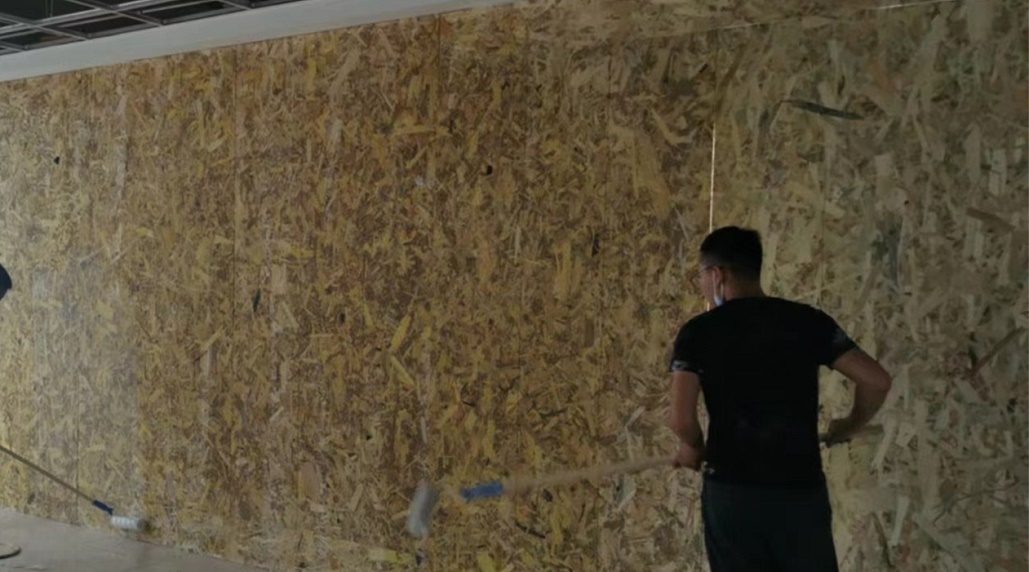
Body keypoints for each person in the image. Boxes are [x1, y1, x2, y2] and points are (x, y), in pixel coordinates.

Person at [667, 226, 892, 572]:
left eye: (701, 275)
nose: (702, 285)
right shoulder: (807, 321)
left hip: (732, 494)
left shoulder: (698, 333)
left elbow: (681, 420)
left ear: (718, 275)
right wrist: (850, 424)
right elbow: (876, 381)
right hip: (799, 493)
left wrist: (692, 446)